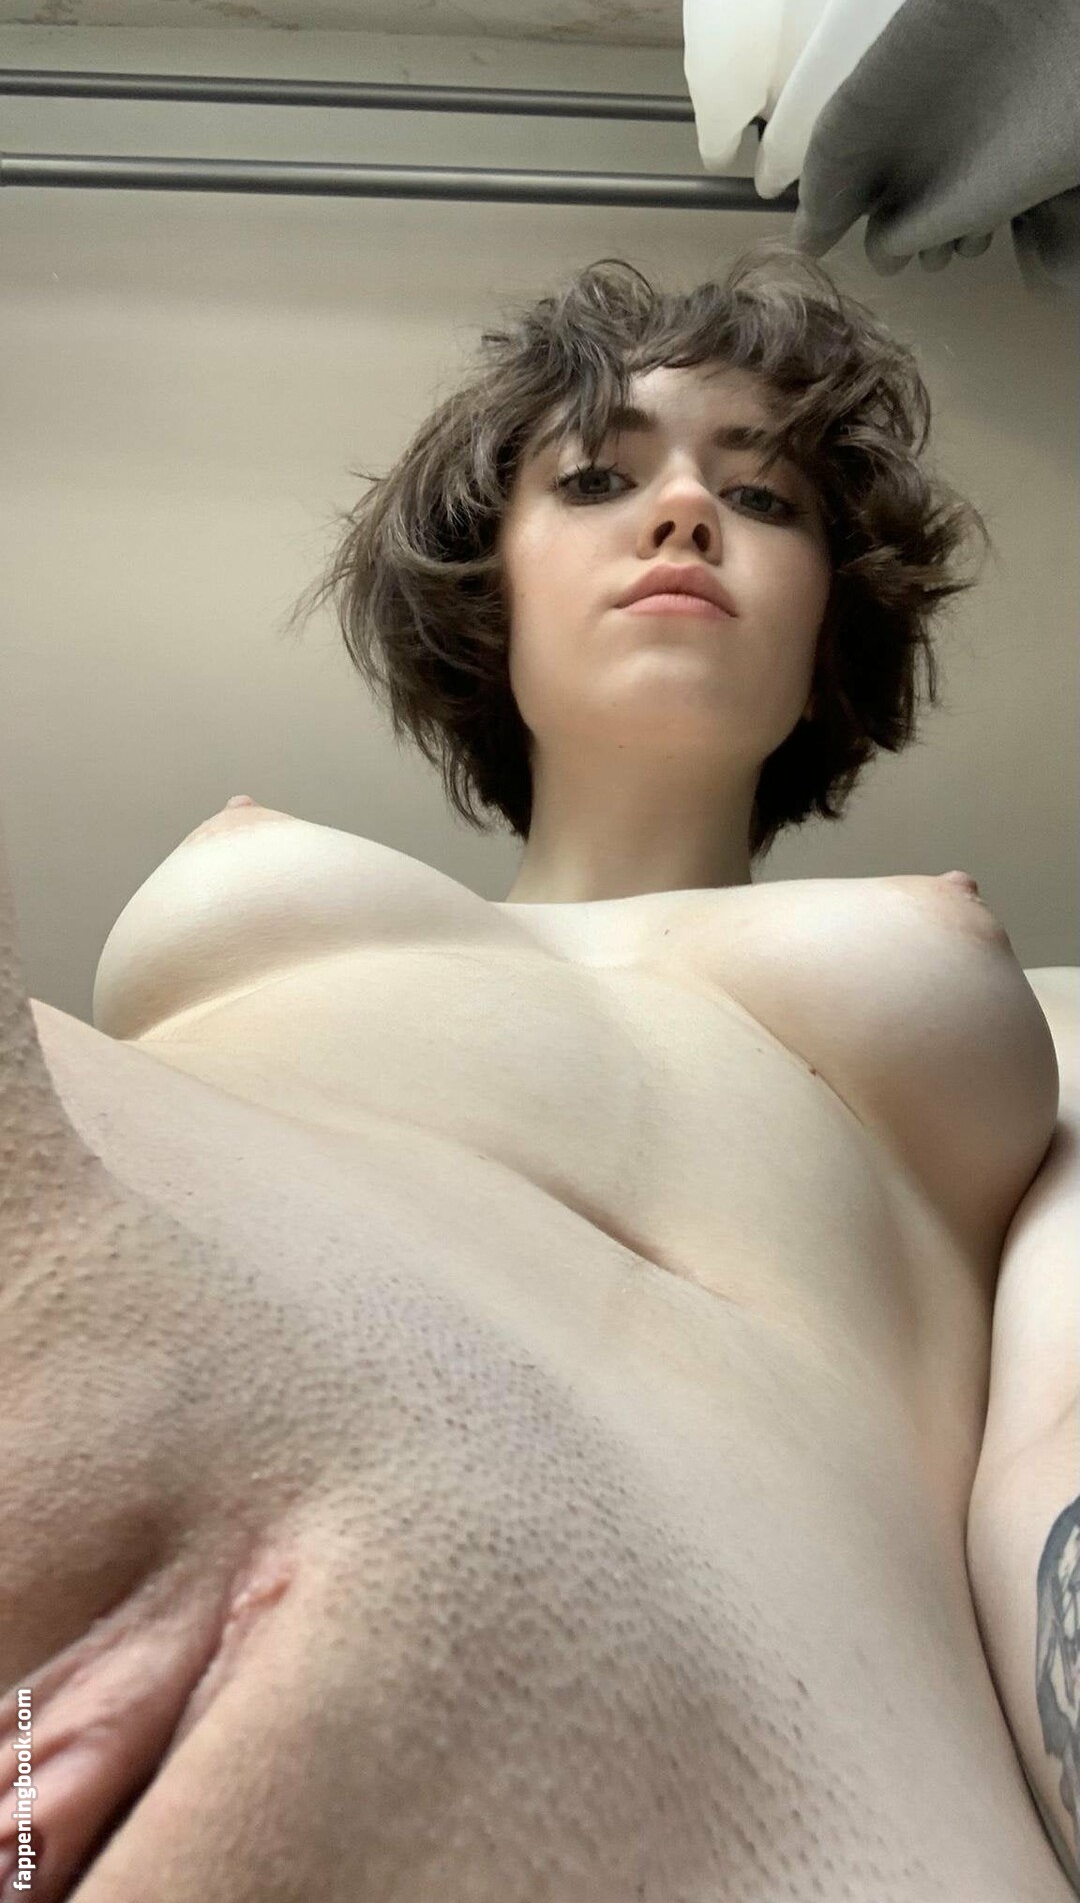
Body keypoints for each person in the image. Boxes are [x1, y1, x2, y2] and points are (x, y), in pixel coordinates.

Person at [1, 246, 1076, 1902]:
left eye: (764, 498)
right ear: (487, 583)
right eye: (596, 478)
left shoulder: (1031, 1005)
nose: (687, 511)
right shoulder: (288, 882)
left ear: (830, 619)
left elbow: (1060, 1436)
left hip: (729, 1674)